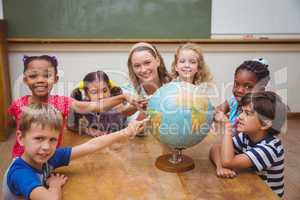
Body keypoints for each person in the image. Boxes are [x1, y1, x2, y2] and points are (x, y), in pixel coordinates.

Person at [8, 55, 146, 157]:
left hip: (49, 158)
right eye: (33, 76)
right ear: (25, 80)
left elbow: (97, 106)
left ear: (55, 79)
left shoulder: (63, 102)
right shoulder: (18, 105)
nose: (40, 80)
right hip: (23, 161)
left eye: (46, 75)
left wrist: (125, 97)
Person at [2, 103, 147, 200]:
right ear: (21, 138)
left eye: (52, 140)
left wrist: (126, 132)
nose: (46, 147)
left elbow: (91, 145)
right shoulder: (20, 173)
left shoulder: (48, 156)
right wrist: (55, 185)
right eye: (39, 138)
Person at [209, 91, 288, 198]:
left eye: (247, 113)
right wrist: (220, 167)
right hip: (250, 191)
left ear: (265, 124)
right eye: (242, 111)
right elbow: (216, 148)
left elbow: (228, 161)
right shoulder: (246, 136)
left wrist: (227, 127)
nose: (240, 116)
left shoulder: (270, 148)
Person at [68, 70, 134, 137]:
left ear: (110, 90)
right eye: (94, 92)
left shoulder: (118, 105)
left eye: (105, 90)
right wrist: (88, 130)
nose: (101, 96)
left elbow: (127, 111)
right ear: (86, 94)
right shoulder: (83, 107)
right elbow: (70, 125)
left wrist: (137, 106)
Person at [123, 42, 172, 122]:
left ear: (157, 61)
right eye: (137, 66)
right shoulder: (126, 91)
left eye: (147, 63)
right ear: (132, 68)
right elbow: (130, 128)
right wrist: (146, 109)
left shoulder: (173, 86)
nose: (143, 70)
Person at [214, 58, 270, 127]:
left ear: (261, 90)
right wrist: (219, 114)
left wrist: (226, 123)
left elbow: (243, 132)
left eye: (248, 87)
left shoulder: (258, 109)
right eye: (237, 84)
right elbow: (218, 110)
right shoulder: (233, 101)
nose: (239, 90)